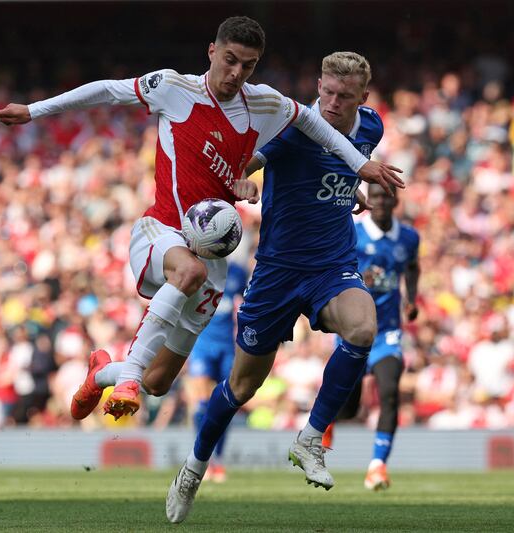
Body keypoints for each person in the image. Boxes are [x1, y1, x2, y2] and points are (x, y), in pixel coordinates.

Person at [0, 16, 403, 423]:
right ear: (212, 51)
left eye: (248, 65)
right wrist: (33, 109)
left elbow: (314, 125)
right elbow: (107, 91)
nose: (236, 72)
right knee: (184, 275)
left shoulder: (262, 102)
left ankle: (103, 373)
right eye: (230, 60)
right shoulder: (174, 88)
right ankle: (129, 376)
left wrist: (355, 168)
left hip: (214, 254)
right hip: (162, 230)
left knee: (159, 381)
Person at [166, 51, 390, 523]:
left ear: (362, 98)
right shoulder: (295, 125)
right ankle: (193, 468)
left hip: (332, 265)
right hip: (276, 273)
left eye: (343, 96)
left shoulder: (371, 126)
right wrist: (245, 182)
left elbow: (347, 165)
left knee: (364, 329)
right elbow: (249, 160)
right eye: (325, 91)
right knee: (242, 386)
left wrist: (353, 191)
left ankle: (310, 439)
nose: (330, 103)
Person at [323, 182, 420, 491]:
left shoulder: (408, 237)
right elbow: (331, 268)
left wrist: (412, 299)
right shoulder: (351, 231)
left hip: (388, 332)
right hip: (354, 329)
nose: (379, 201)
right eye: (374, 195)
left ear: (395, 199)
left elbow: (413, 267)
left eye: (385, 196)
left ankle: (378, 466)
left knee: (390, 391)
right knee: (349, 409)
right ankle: (326, 420)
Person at [186, 261, 248, 483]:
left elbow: (244, 301)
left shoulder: (238, 272)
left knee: (226, 403)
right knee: (201, 402)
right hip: (202, 343)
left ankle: (218, 459)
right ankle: (202, 458)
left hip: (227, 346)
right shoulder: (197, 266)